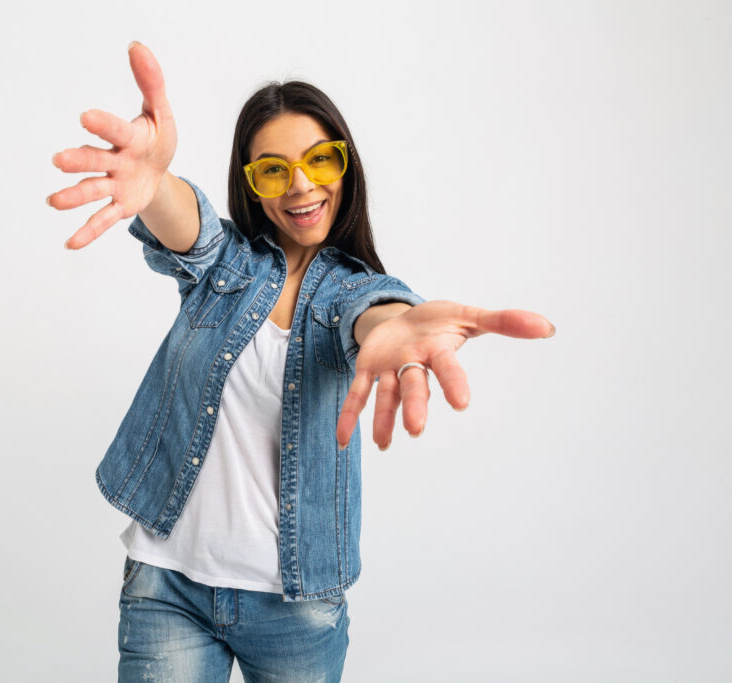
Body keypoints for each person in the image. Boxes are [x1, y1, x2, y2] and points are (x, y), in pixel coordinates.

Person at [48, 42, 554, 683]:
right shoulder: (229, 269)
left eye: (320, 160)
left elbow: (374, 314)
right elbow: (190, 227)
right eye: (272, 171)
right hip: (168, 585)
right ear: (251, 186)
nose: (301, 186)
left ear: (346, 165)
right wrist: (154, 186)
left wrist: (397, 329)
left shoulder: (353, 289)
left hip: (296, 605)